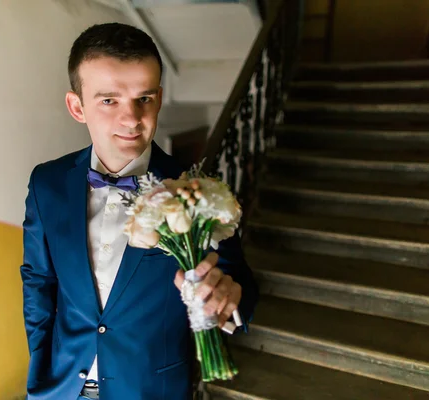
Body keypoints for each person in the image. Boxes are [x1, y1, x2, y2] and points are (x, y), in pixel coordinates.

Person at [20, 22, 259, 400]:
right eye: (109, 100)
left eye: (144, 98)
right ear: (77, 106)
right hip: (61, 387)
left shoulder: (196, 190)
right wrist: (40, 362)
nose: (131, 119)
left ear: (160, 98)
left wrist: (226, 301)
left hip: (152, 389)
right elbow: (37, 280)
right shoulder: (46, 183)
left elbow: (238, 285)